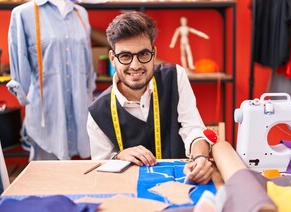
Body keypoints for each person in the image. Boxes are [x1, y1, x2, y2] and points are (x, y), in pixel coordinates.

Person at [87, 11, 213, 184]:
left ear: (154, 53)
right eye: (125, 56)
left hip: (182, 183)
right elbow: (100, 165)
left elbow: (193, 128)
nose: (135, 65)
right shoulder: (97, 112)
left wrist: (200, 158)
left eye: (143, 54)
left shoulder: (175, 77)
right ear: (112, 59)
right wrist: (118, 156)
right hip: (129, 194)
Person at [7, 0, 95, 160]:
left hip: (79, 113)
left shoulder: (81, 13)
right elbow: (20, 73)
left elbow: (88, 68)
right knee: (45, 180)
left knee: (78, 180)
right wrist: (20, 90)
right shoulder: (23, 14)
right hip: (47, 115)